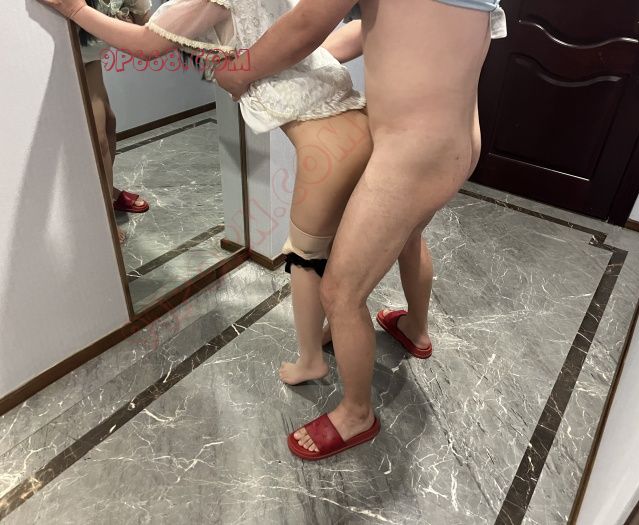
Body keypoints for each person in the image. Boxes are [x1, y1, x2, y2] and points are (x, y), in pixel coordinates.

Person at [38, 0, 437, 443]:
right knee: (381, 245)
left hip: (326, 147)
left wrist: (74, 9)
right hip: (360, 120)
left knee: (307, 259)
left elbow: (146, 45)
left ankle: (312, 362)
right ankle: (410, 331)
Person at [214, 0, 506, 459]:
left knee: (341, 293)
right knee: (409, 237)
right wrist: (303, 65)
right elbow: (377, 27)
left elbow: (308, 23)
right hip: (458, 138)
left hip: (412, 153)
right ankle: (415, 329)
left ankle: (356, 413)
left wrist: (240, 71)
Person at [80, 0, 151, 244]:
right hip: (67, 58)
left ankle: (106, 192)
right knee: (97, 138)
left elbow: (145, 31)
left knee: (109, 123)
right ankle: (103, 215)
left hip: (90, 55)